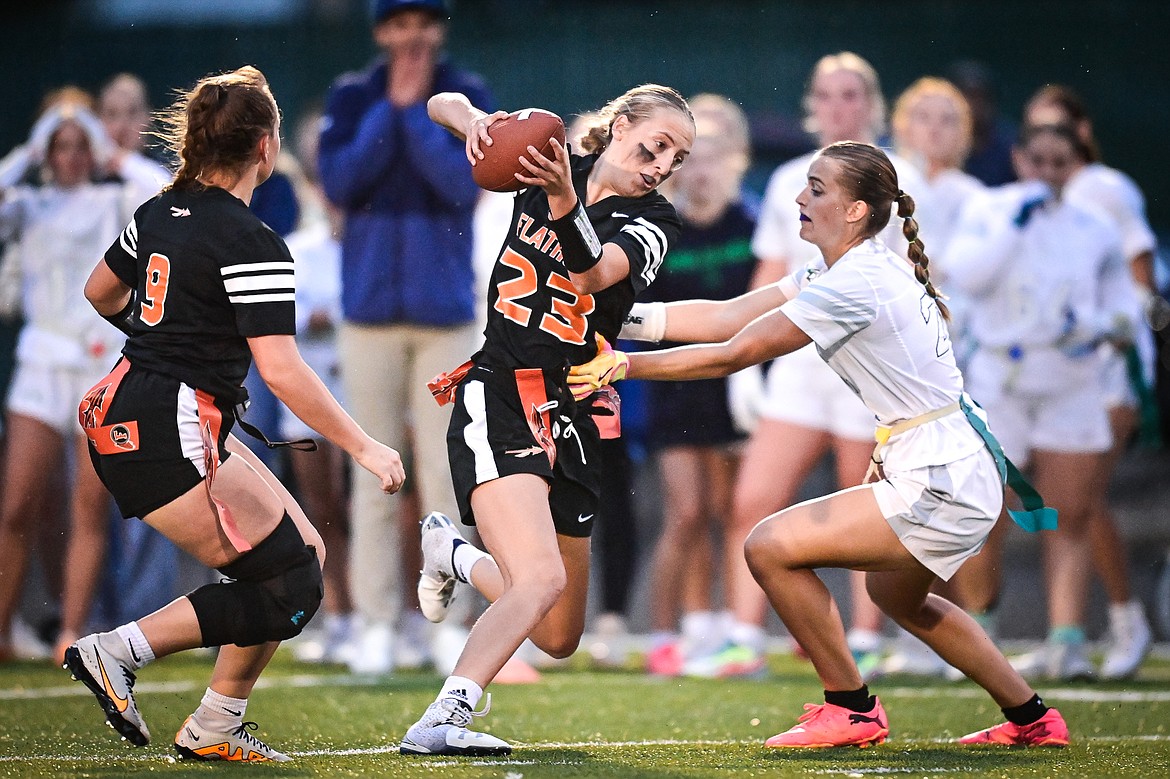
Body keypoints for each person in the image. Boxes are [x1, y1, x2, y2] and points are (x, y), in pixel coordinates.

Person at [570, 139, 1069, 749]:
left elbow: (737, 352)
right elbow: (728, 316)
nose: (800, 198)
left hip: (940, 471)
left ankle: (852, 709)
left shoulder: (854, 281)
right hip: (945, 462)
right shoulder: (840, 267)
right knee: (899, 597)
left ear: (856, 211)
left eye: (816, 189)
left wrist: (622, 365)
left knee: (770, 546)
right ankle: (1036, 720)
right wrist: (611, 317)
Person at [63, 65, 405, 762]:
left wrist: (168, 333)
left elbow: (99, 293)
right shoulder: (251, 239)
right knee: (291, 587)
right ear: (266, 148)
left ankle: (216, 721)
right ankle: (117, 650)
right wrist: (366, 446)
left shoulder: (160, 211)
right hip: (168, 422)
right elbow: (282, 368)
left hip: (143, 406)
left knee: (301, 555)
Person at [405, 83, 694, 755]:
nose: (661, 165)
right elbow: (437, 104)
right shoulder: (545, 154)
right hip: (500, 390)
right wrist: (476, 120)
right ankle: (446, 715)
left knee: (559, 633)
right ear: (620, 126)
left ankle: (453, 554)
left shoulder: (655, 221)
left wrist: (565, 198)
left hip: (574, 415)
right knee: (539, 580)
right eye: (656, 145)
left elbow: (592, 274)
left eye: (675, 158)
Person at [696, 51, 932, 680]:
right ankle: (744, 637)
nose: (839, 107)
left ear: (873, 104)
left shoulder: (901, 176)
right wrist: (746, 370)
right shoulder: (788, 182)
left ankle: (864, 635)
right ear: (812, 106)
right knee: (754, 496)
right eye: (827, 95)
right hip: (800, 360)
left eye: (851, 94)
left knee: (867, 507)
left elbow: (921, 281)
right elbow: (772, 274)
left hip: (866, 370)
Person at [316, 0, 491, 675]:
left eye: (424, 22)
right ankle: (377, 624)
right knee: (373, 475)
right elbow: (341, 181)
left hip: (446, 315)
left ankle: (450, 623)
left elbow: (462, 183)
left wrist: (419, 111)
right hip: (368, 316)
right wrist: (394, 107)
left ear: (439, 29)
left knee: (450, 476)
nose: (413, 35)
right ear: (382, 32)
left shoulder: (468, 94)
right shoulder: (354, 95)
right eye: (400, 23)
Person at [945, 122, 1134, 681]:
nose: (1048, 174)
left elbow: (1125, 307)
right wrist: (1013, 225)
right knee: (983, 510)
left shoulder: (1095, 227)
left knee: (1069, 514)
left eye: (1061, 163)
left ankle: (1066, 639)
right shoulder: (988, 209)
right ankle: (978, 633)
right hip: (999, 381)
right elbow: (968, 277)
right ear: (1021, 160)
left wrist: (1094, 326)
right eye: (1039, 161)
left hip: (1069, 381)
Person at [0, 94, 163, 664]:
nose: (69, 156)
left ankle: (72, 630)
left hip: (98, 362)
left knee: (87, 508)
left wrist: (111, 152)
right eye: (59, 145)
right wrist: (27, 150)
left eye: (78, 145)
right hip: (40, 364)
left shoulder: (114, 196)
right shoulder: (27, 201)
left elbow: (162, 194)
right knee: (17, 504)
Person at [1014, 86, 1158, 679]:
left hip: (1108, 370)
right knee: (1055, 503)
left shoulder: (1104, 190)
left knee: (1081, 502)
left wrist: (1102, 331)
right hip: (1058, 373)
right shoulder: (1025, 205)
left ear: (1082, 134)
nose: (1050, 149)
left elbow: (1142, 286)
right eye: (1037, 133)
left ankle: (1127, 620)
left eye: (1061, 134)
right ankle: (1064, 630)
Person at [639, 94, 756, 676]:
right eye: (691, 158)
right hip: (675, 386)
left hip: (735, 388)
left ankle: (723, 630)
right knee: (685, 512)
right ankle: (666, 633)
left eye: (713, 156)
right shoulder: (661, 228)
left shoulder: (754, 226)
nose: (700, 169)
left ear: (736, 159)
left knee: (731, 509)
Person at [880, 76, 987, 678]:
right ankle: (915, 630)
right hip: (901, 369)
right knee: (907, 499)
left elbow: (972, 280)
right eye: (923, 116)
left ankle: (968, 629)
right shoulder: (888, 184)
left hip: (960, 364)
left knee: (956, 508)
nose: (935, 129)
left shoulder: (979, 197)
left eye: (949, 118)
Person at [946, 59, 1017, 187]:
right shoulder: (937, 140)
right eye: (968, 96)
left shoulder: (1010, 145)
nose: (975, 106)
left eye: (981, 97)